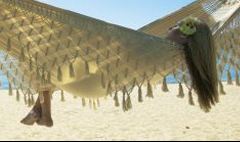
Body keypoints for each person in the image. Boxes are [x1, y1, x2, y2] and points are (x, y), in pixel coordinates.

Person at [20, 17, 219, 127]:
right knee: (46, 60)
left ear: (185, 38)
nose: (171, 26)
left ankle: (42, 111)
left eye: (178, 26)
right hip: (96, 82)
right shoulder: (170, 54)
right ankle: (42, 113)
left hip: (96, 81)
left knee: (40, 53)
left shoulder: (159, 48)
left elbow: (120, 48)